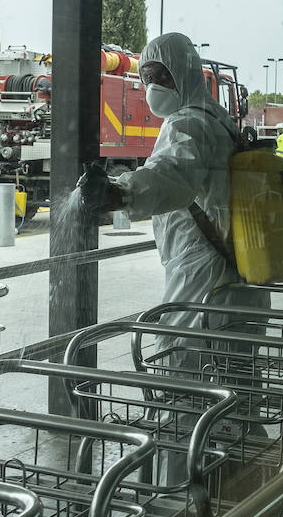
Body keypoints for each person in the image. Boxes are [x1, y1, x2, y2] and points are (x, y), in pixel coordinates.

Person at [78, 32, 266, 330]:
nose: (153, 86)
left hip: (204, 270)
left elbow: (171, 175)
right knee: (236, 366)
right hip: (236, 264)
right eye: (147, 78)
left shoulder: (188, 123)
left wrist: (120, 192)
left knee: (178, 353)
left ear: (185, 72)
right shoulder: (218, 118)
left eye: (162, 76)